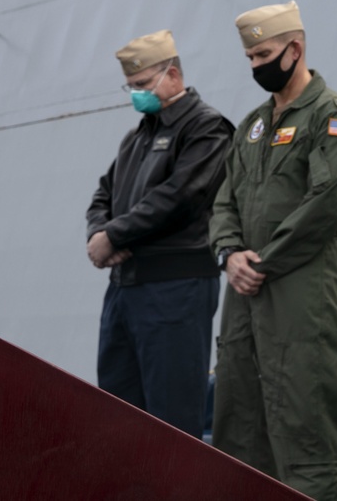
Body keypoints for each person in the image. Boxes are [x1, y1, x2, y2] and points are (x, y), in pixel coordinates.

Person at [209, 0, 337, 500]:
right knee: (237, 433)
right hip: (243, 299)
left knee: (305, 436)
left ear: (295, 49)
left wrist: (263, 262)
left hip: (299, 298)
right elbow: (223, 199)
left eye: (264, 54)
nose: (257, 66)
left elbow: (325, 203)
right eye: (251, 58)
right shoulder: (252, 126)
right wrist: (231, 253)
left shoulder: (334, 119)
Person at [86, 29, 233, 438]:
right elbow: (103, 194)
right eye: (131, 86)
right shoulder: (137, 137)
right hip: (125, 290)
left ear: (172, 74)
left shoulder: (206, 128)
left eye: (143, 84)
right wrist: (101, 233)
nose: (137, 94)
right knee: (117, 413)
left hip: (175, 289)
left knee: (171, 422)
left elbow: (182, 196)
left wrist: (114, 236)